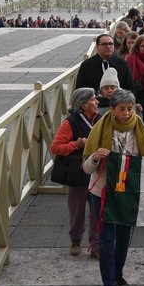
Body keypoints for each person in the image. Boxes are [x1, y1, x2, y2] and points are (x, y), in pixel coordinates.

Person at [83, 89, 144, 286]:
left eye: (129, 109)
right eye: (121, 109)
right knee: (106, 238)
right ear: (113, 109)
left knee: (124, 236)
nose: (126, 114)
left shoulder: (139, 128)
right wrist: (96, 157)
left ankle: (118, 274)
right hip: (103, 191)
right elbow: (86, 168)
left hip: (128, 192)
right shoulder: (100, 128)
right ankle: (108, 285)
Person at [50, 88, 100, 257]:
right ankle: (75, 240)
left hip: (96, 171)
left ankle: (95, 244)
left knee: (97, 210)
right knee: (77, 209)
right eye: (93, 99)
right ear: (84, 104)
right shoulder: (70, 123)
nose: (97, 101)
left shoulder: (100, 119)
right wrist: (76, 145)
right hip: (77, 173)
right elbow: (55, 147)